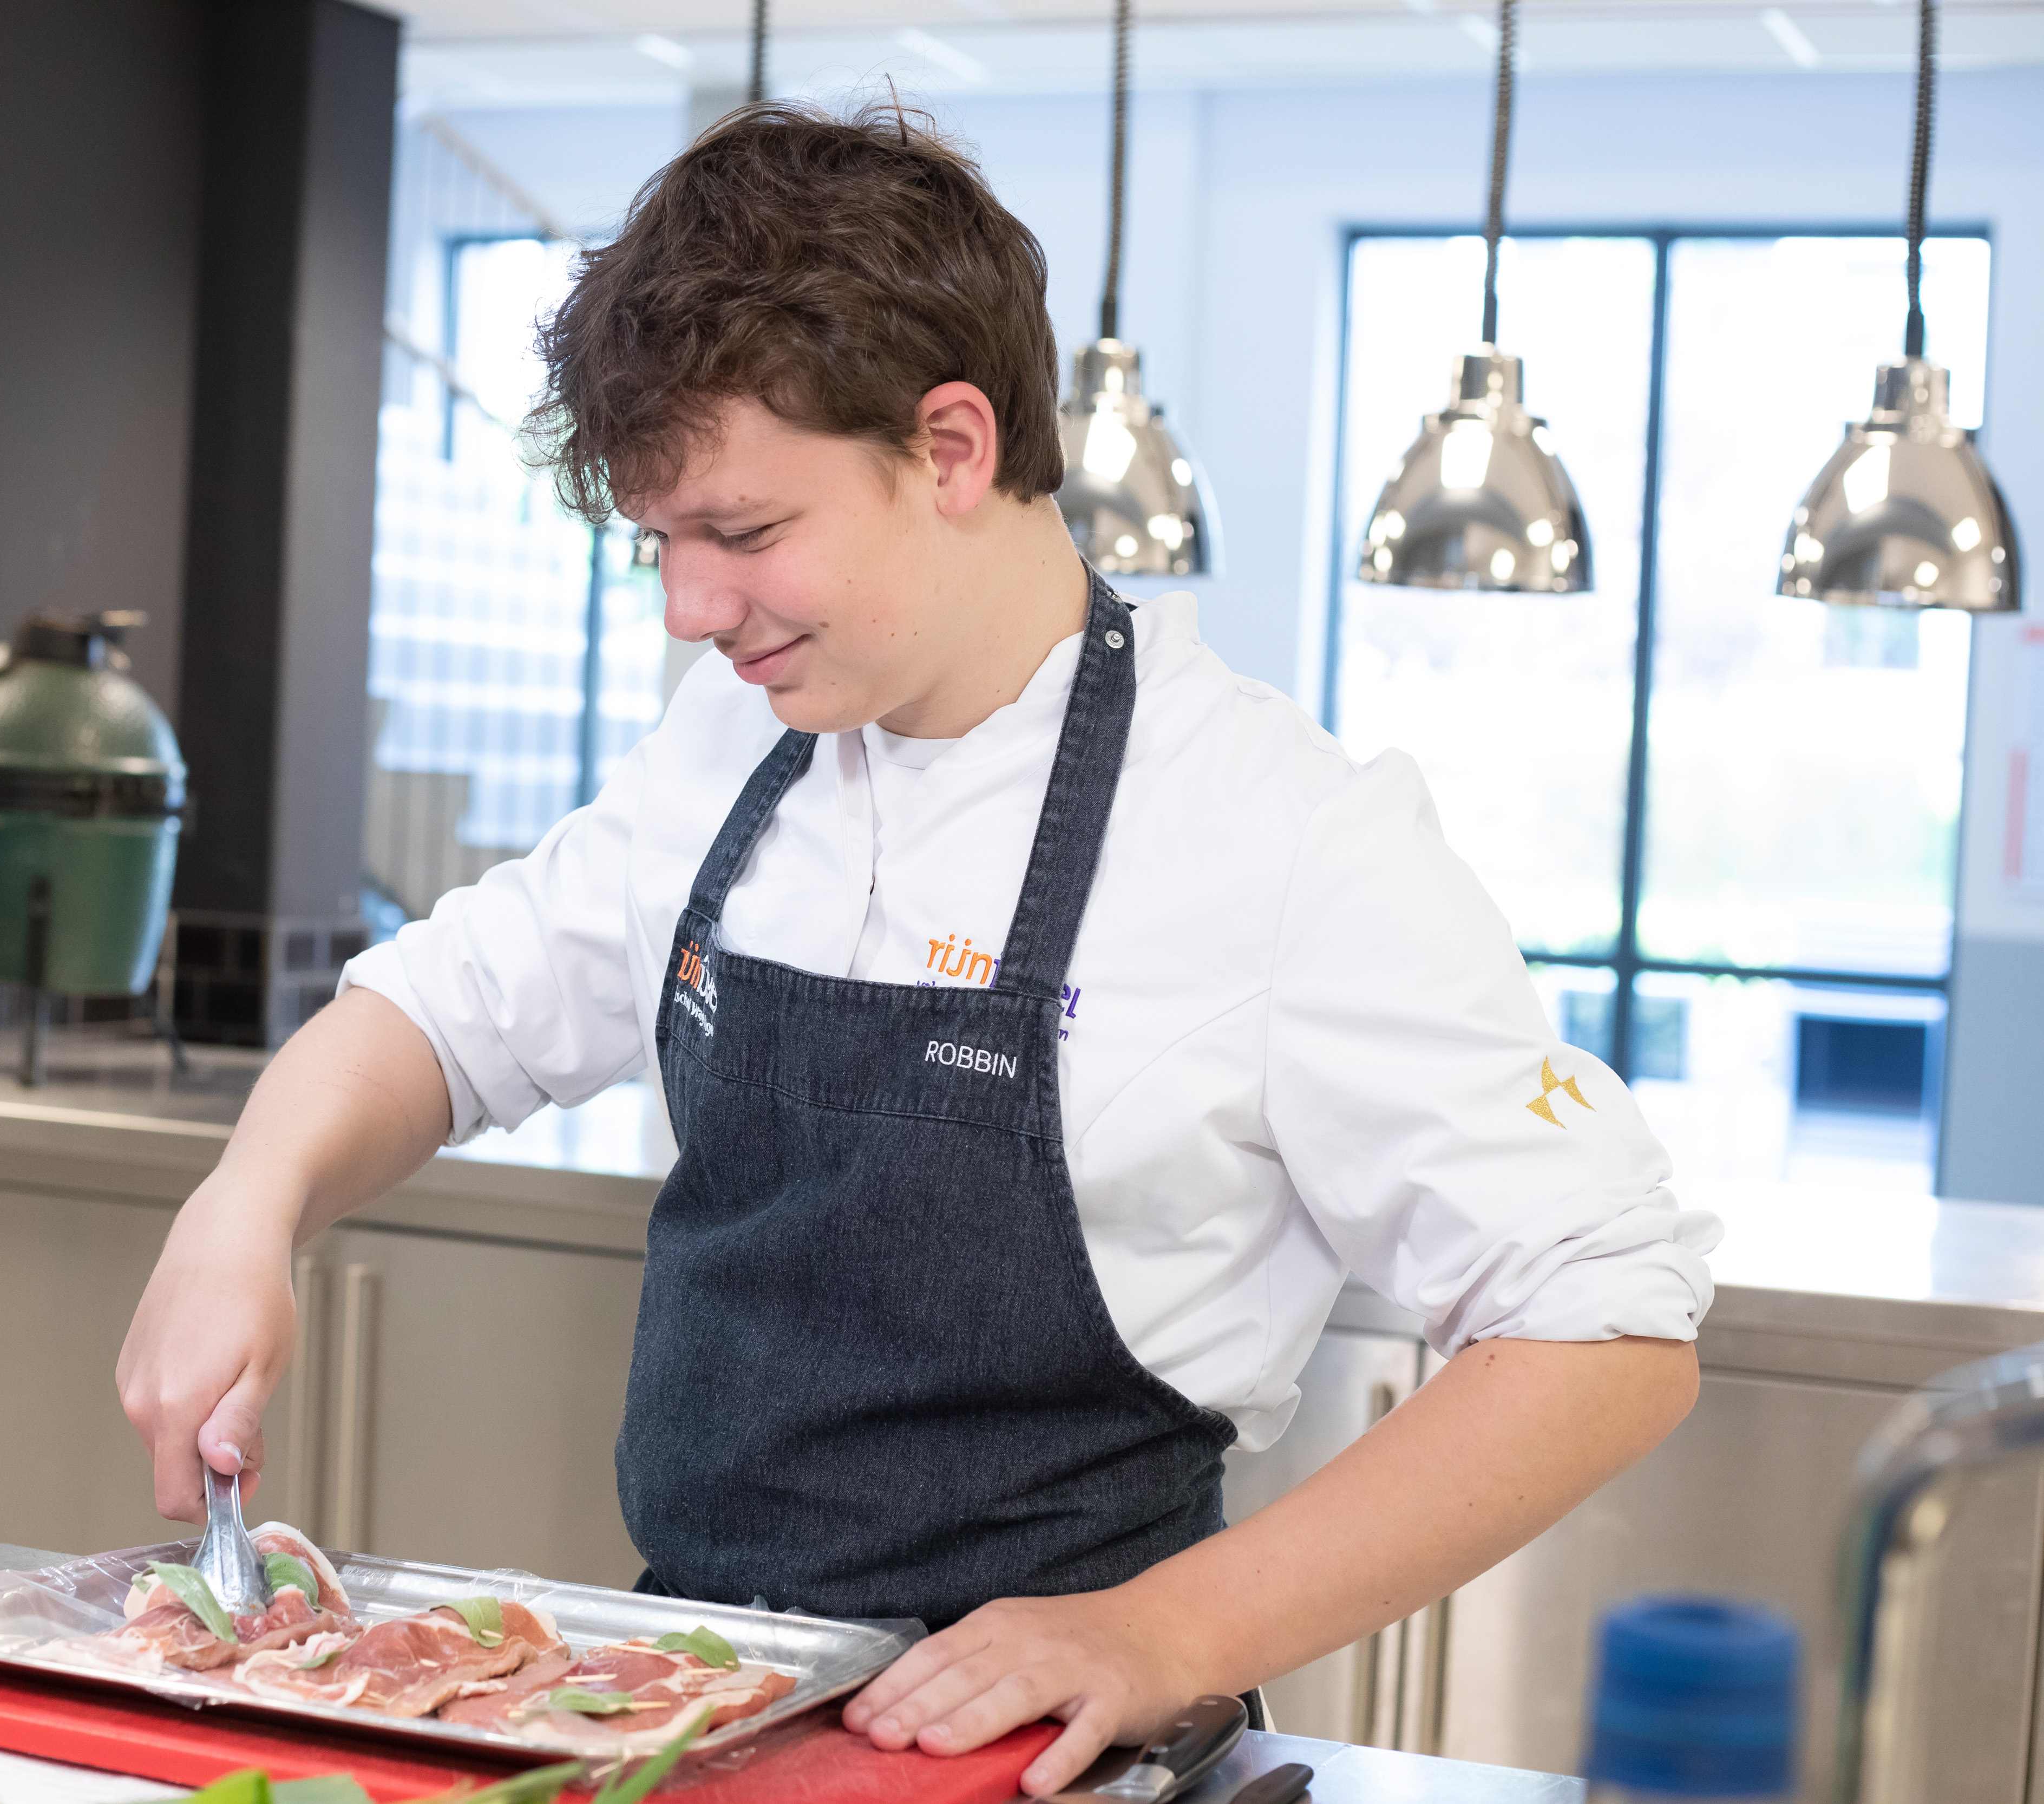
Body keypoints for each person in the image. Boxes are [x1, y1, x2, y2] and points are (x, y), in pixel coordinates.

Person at [119, 101, 1714, 1795]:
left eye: (744, 534)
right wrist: (247, 1206)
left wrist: (1166, 1632)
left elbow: (1608, 1326)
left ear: (951, 448)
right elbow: (446, 1015)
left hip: (1051, 1763)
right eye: (660, 542)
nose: (687, 608)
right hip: (701, 1718)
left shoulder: (1280, 833)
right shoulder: (733, 746)